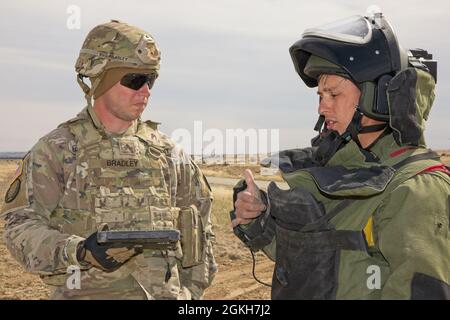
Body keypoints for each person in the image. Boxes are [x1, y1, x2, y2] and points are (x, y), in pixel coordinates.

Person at [231, 11, 449, 299]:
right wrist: (258, 219)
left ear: (380, 96)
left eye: (333, 95)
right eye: (320, 96)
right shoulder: (340, 170)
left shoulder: (415, 189)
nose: (323, 107)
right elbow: (318, 257)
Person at [1, 20, 216, 300]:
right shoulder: (57, 150)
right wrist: (79, 251)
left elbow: (202, 230)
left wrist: (190, 292)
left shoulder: (170, 155)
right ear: (100, 78)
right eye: (135, 80)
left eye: (150, 79)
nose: (146, 91)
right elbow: (19, 228)